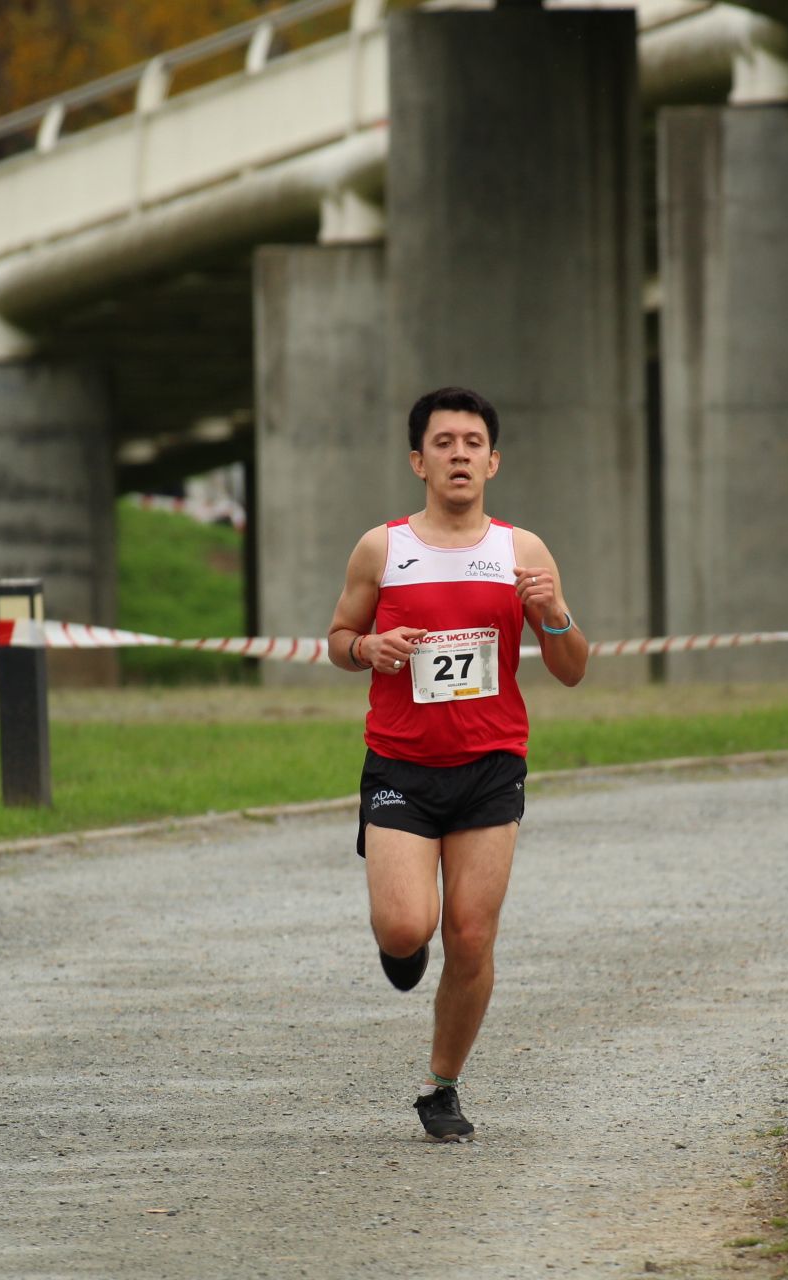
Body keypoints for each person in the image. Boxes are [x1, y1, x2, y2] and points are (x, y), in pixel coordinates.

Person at [326, 386, 587, 1142]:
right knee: (410, 928)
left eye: (473, 442)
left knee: (471, 936)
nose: (460, 453)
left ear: (493, 461)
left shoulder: (523, 552)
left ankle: (442, 1087)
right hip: (401, 767)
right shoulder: (382, 548)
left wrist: (555, 616)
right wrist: (367, 649)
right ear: (420, 461)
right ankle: (397, 941)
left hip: (490, 764)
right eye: (444, 442)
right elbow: (339, 638)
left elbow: (572, 667)